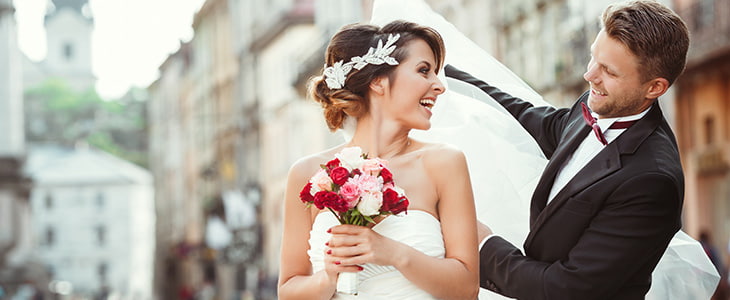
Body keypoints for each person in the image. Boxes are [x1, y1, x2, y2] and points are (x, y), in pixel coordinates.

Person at [443, 0, 698, 299]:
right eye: (593, 58)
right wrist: (443, 74)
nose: (589, 75)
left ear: (654, 88)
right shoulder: (594, 105)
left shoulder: (652, 181)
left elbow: (567, 288)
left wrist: (484, 246)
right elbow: (525, 115)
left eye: (609, 72)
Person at [277, 20, 479, 300]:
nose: (438, 86)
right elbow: (287, 291)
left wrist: (392, 252)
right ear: (378, 82)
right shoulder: (309, 174)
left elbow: (467, 289)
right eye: (424, 71)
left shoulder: (445, 164)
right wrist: (329, 278)